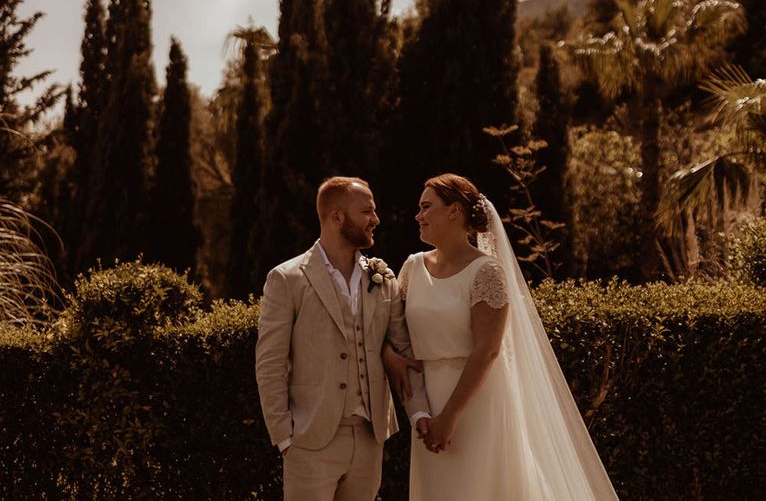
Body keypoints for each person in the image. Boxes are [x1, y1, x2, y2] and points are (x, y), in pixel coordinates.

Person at [385, 173, 618, 500]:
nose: (418, 216)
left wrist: (450, 416)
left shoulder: (486, 272)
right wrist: (393, 363)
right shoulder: (411, 268)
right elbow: (395, 332)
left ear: (454, 211)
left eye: (427, 207)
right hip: (426, 402)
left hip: (477, 402)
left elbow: (488, 350)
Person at [256, 176, 430, 501]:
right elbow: (270, 364)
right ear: (337, 217)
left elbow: (403, 351)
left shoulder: (383, 279)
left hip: (369, 436)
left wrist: (419, 413)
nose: (376, 220)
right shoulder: (287, 279)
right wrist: (284, 437)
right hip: (309, 440)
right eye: (367, 211)